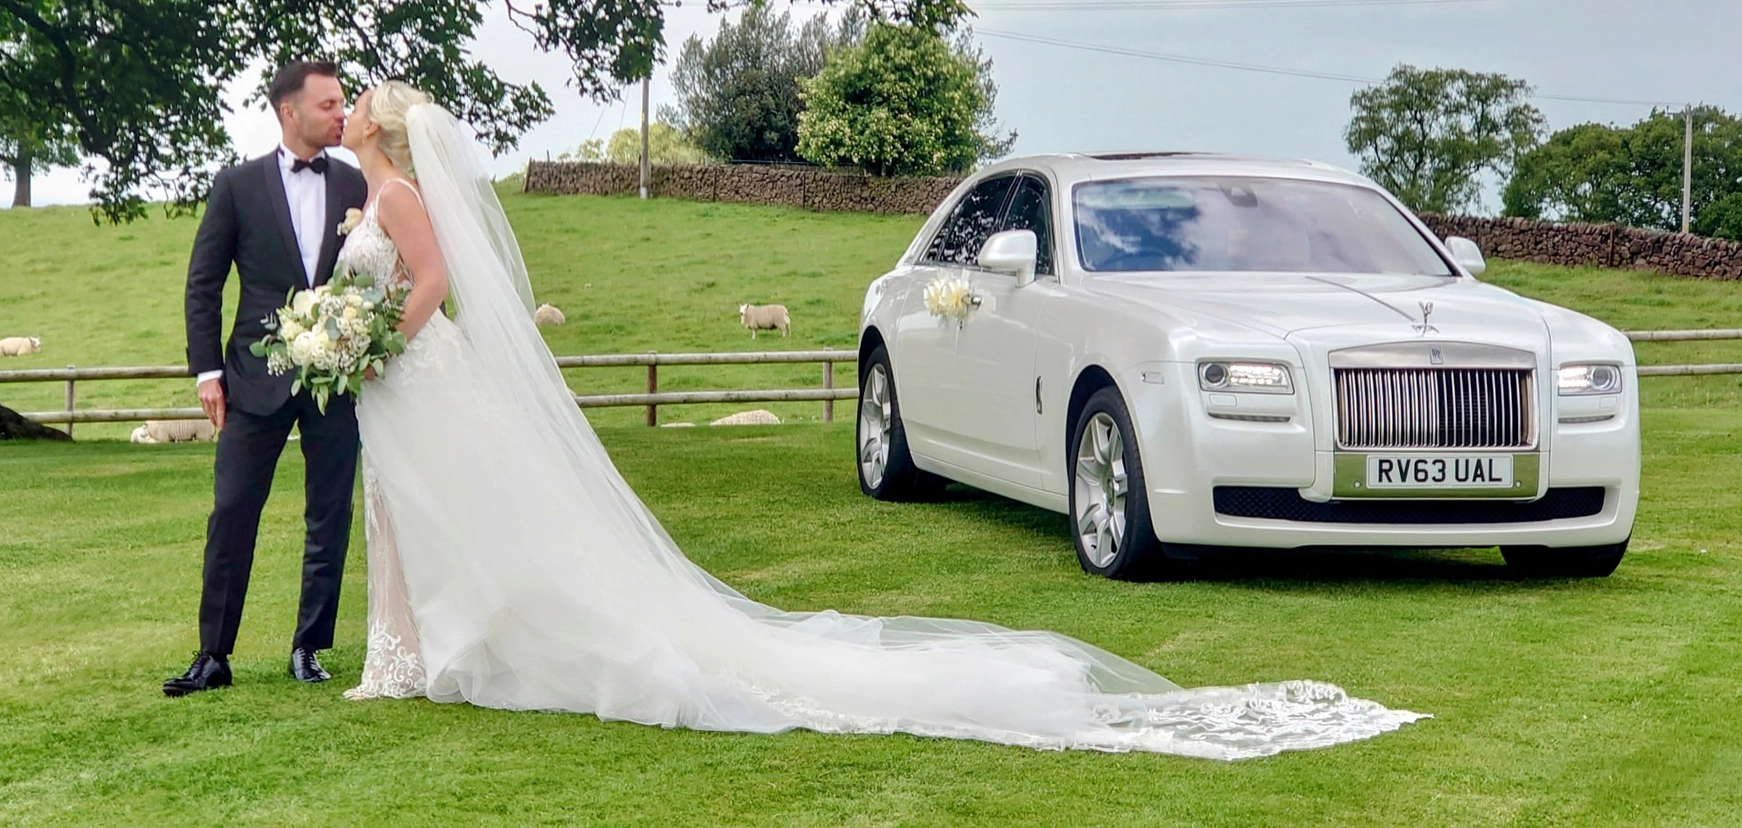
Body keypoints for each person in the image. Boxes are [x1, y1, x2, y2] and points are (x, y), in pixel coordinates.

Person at [332, 79, 1421, 759]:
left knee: (452, 510)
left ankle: (427, 652)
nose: (341, 120)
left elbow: (428, 287)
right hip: (403, 382)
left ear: (375, 131)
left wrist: (372, 335)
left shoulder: (398, 200)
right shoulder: (375, 196)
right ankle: (412, 652)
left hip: (414, 370)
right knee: (417, 514)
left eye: (350, 109)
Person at [165, 61, 369, 697]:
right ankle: (212, 655)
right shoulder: (237, 185)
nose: (341, 114)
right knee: (232, 509)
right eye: (329, 105)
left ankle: (310, 646)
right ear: (290, 112)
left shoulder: (358, 183)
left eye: (342, 104)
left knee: (329, 510)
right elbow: (204, 284)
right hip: (254, 376)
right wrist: (207, 371)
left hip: (336, 377)